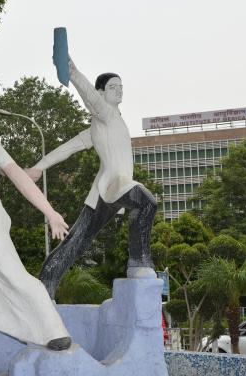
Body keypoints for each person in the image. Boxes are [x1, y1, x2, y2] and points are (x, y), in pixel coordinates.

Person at [26, 57, 158, 298]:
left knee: (77, 241)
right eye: (112, 87)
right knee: (147, 202)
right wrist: (73, 72)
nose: (119, 91)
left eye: (121, 87)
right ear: (100, 93)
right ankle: (139, 263)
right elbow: (90, 101)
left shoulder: (109, 122)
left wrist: (38, 167)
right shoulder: (105, 114)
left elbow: (69, 147)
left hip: (109, 191)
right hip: (113, 186)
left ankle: (44, 285)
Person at [0, 104, 72, 351]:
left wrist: (50, 213)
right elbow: (15, 173)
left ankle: (53, 330)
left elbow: (16, 178)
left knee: (11, 272)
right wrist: (28, 172)